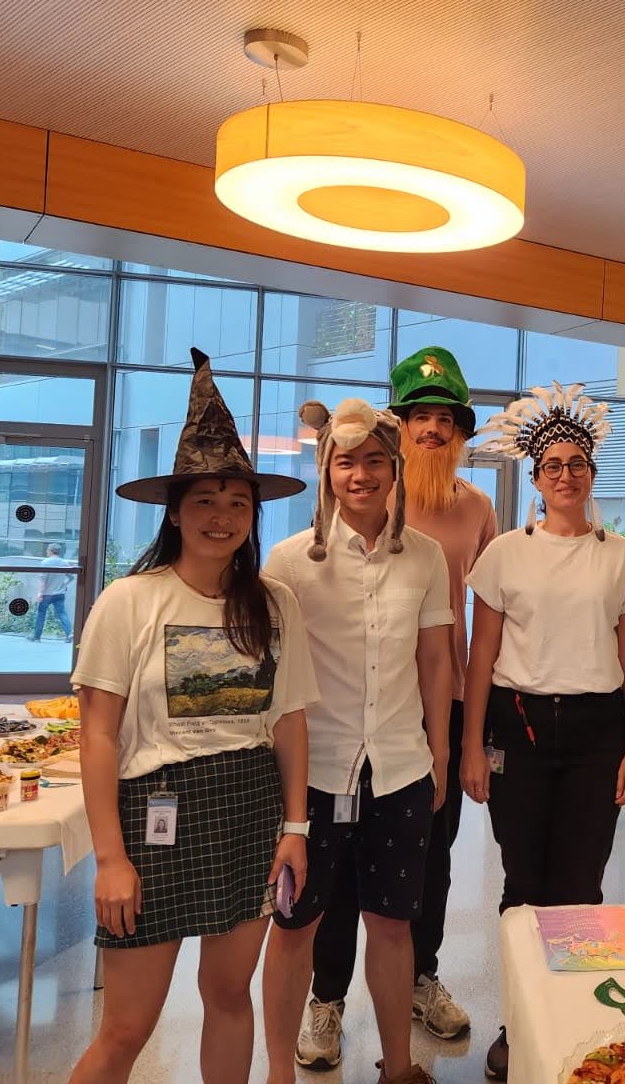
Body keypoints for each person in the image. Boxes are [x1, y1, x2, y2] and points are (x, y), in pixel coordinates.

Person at [67, 348, 315, 1084]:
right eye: (205, 500)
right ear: (174, 511)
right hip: (155, 814)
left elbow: (289, 722)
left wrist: (295, 829)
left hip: (249, 808)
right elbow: (97, 735)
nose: (222, 517)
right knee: (126, 1028)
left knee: (229, 997)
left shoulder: (274, 604)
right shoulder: (130, 600)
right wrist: (110, 858)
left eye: (238, 503)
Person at [302, 347, 497, 1068]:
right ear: (399, 429)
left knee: (429, 861)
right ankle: (327, 997)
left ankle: (421, 977)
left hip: (437, 707)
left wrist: (466, 735)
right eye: (420, 417)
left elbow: (490, 612)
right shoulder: (355, 502)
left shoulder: (476, 509)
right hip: (345, 713)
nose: (433, 430)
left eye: (446, 419)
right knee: (333, 866)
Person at [460, 382, 625, 1081]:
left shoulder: (622, 558)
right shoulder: (504, 554)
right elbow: (481, 654)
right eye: (553, 466)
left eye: (577, 464)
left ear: (591, 473)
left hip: (598, 731)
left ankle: (570, 1017)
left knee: (581, 882)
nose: (565, 475)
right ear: (536, 479)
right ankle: (519, 1023)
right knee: (523, 880)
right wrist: (471, 746)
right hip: (518, 727)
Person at [262, 397, 454, 1084]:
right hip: (315, 772)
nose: (361, 475)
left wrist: (440, 753)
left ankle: (398, 1067)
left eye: (375, 461)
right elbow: (274, 678)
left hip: (399, 767)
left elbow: (436, 659)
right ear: (327, 470)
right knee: (295, 927)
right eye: (347, 462)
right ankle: (279, 1074)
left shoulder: (425, 557)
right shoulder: (289, 562)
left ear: (395, 470)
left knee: (395, 926)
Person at [30, 542, 71, 642]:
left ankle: (37, 637)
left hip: (47, 594)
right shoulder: (64, 563)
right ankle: (69, 634)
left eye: (47, 550)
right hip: (60, 594)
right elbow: (71, 577)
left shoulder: (45, 563)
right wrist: (64, 584)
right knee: (62, 614)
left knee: (41, 614)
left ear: (51, 551)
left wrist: (40, 593)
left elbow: (42, 580)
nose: (46, 551)